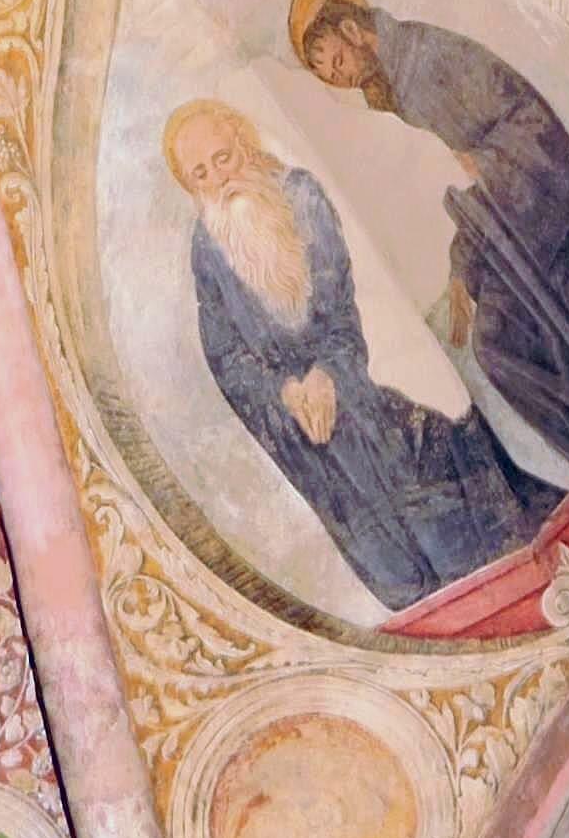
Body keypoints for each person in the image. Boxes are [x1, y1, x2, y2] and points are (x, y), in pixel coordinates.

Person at [164, 99, 543, 609]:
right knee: (393, 569)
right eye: (201, 174)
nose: (219, 178)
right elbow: (226, 356)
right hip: (304, 439)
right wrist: (285, 393)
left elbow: (338, 309)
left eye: (223, 158)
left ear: (243, 145)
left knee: (444, 507)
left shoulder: (300, 197)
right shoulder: (207, 248)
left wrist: (325, 375)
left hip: (352, 392)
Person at [287, 0, 569, 468]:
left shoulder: (431, 58)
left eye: (337, 63)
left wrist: (486, 163)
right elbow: (454, 195)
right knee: (495, 341)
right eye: (330, 78)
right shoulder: (395, 92)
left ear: (350, 29)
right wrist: (461, 270)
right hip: (506, 240)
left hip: (548, 221)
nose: (342, 79)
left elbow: (527, 120)